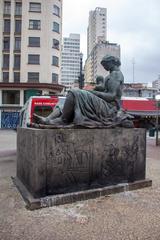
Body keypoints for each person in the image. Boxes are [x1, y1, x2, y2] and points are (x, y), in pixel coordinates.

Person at [33, 55, 133, 128]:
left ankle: (62, 120)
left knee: (74, 92)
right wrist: (97, 90)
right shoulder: (110, 75)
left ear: (112, 62)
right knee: (64, 102)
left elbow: (111, 96)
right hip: (104, 104)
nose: (104, 67)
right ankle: (48, 119)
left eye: (105, 64)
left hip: (109, 108)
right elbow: (104, 90)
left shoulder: (116, 74)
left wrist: (93, 93)